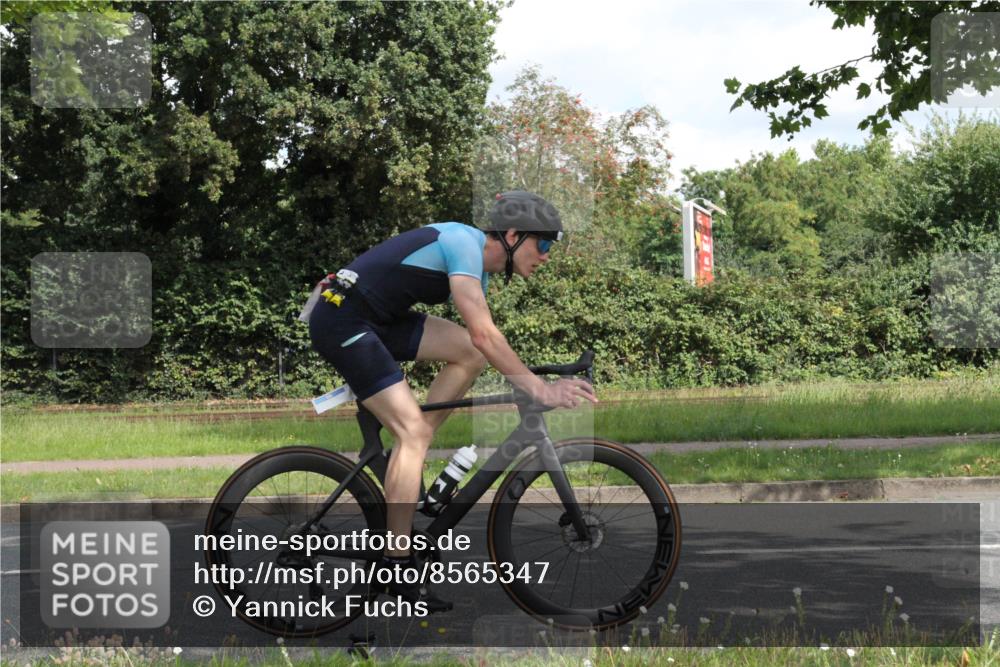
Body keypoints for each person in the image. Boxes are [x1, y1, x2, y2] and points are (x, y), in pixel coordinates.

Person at [308, 190, 598, 611]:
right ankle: (396, 563)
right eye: (545, 244)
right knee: (412, 435)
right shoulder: (464, 244)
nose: (547, 255)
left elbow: (483, 343)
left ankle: (415, 446)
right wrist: (538, 388)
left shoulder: (476, 270)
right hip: (343, 319)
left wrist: (530, 377)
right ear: (514, 235)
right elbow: (485, 331)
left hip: (375, 317)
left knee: (468, 355)